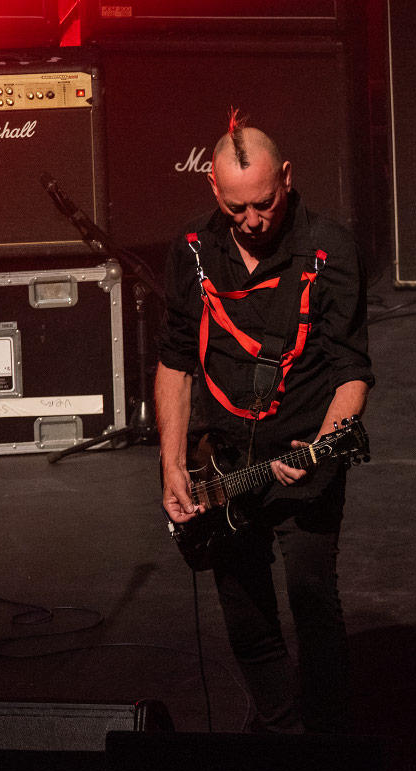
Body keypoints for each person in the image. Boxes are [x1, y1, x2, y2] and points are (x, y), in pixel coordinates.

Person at [157, 117, 372, 734]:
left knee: (311, 597)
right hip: (223, 462)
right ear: (213, 188)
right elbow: (175, 361)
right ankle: (278, 731)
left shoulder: (330, 249)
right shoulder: (193, 250)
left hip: (304, 453)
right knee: (243, 608)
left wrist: (323, 445)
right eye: (237, 207)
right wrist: (171, 463)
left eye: (265, 203)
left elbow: (352, 371)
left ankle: (327, 745)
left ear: (287, 178)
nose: (253, 220)